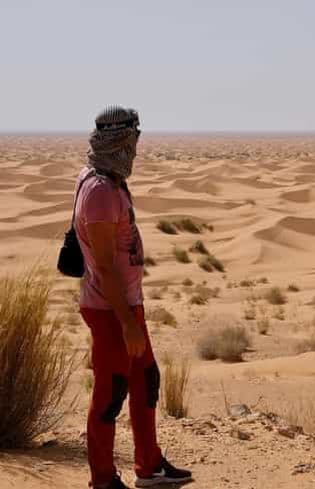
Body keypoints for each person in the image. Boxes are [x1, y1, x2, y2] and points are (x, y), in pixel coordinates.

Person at [75, 106, 192, 489]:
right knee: (111, 396)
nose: (137, 147)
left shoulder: (108, 181)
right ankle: (103, 480)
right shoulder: (99, 192)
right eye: (134, 137)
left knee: (146, 380)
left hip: (126, 306)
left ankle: (150, 465)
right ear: (121, 139)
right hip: (111, 311)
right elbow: (105, 268)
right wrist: (126, 323)